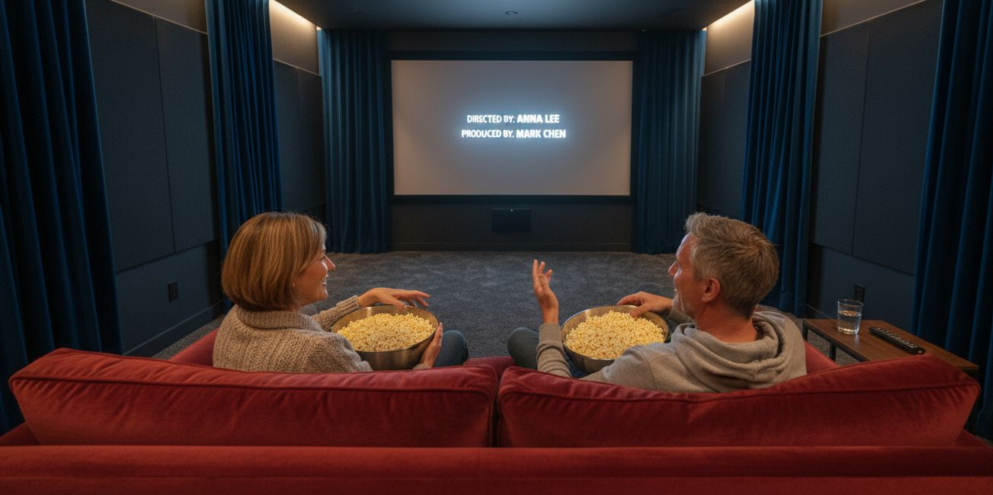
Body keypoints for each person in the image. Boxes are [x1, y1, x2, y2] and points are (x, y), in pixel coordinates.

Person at [508, 212, 806, 392]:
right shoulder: (787, 336)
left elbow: (560, 396)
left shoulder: (648, 365)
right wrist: (672, 306)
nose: (670, 272)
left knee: (523, 339)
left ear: (709, 289)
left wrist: (549, 316)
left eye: (678, 266)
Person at [213, 212, 468, 373]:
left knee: (309, 311)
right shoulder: (321, 351)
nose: (332, 266)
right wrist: (425, 366)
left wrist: (364, 300)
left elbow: (296, 328)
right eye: (322, 257)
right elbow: (385, 405)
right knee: (453, 340)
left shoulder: (235, 319)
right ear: (289, 274)